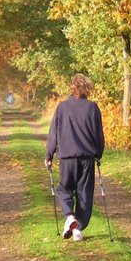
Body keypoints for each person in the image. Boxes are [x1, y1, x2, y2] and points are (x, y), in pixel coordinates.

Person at [45, 73, 105, 242]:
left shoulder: (62, 107)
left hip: (67, 158)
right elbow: (98, 134)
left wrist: (49, 154)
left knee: (65, 189)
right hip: (87, 157)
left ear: (72, 87)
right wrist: (98, 153)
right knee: (84, 193)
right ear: (87, 88)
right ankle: (77, 228)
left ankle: (70, 218)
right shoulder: (92, 108)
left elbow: (53, 134)